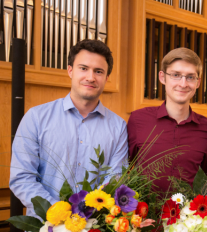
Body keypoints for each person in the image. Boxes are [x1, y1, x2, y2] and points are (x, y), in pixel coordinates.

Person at [10, 40, 128, 219]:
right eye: (83, 68)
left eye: (98, 71)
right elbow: (22, 177)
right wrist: (60, 213)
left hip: (96, 231)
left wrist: (88, 216)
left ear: (106, 77)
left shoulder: (118, 126)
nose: (91, 77)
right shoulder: (36, 117)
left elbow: (114, 180)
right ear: (70, 71)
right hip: (45, 228)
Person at [128, 48, 207, 193]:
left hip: (188, 214)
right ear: (162, 77)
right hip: (143, 214)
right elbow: (123, 170)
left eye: (190, 77)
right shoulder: (138, 120)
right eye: (176, 75)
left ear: (198, 82)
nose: (183, 84)